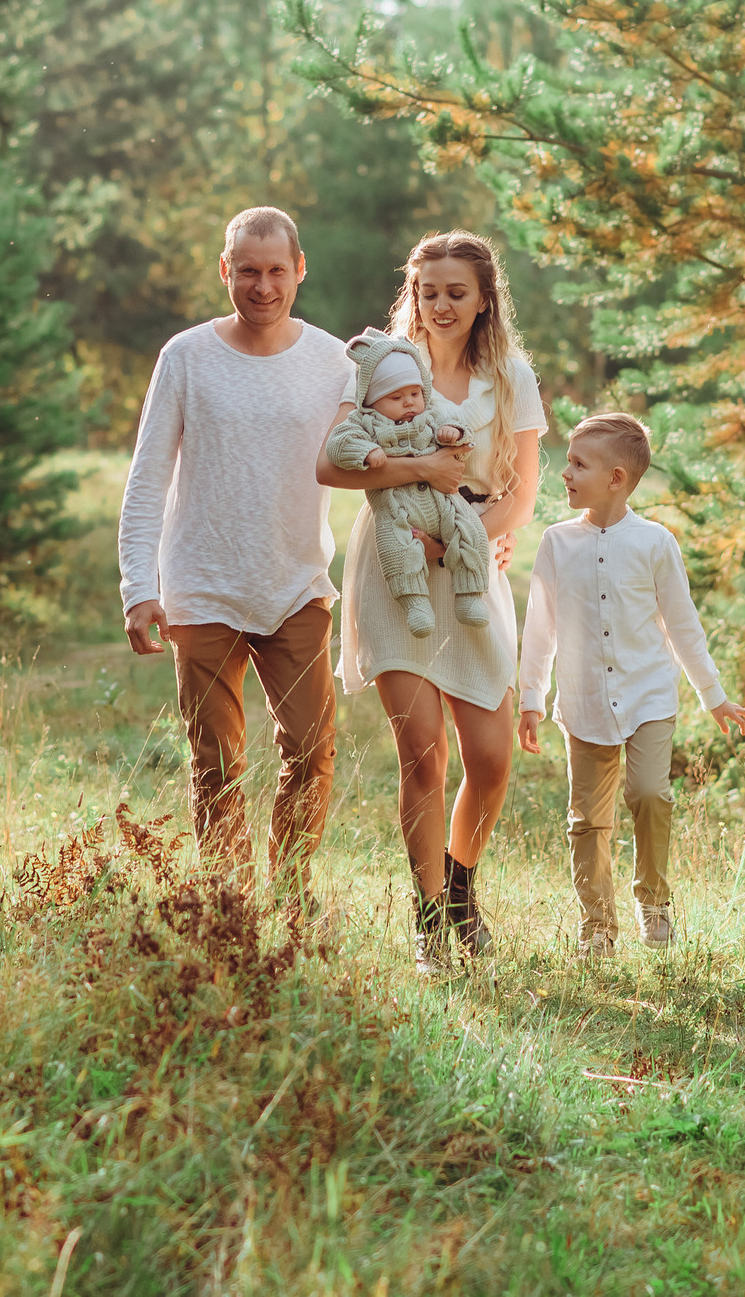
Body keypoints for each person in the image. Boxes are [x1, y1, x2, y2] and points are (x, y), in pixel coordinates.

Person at [118, 207, 386, 898]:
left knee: (311, 750)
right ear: (224, 271)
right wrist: (137, 586)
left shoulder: (334, 360)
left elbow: (374, 448)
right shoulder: (186, 356)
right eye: (247, 271)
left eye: (275, 271)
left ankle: (291, 892)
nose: (262, 287)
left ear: (299, 269)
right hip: (201, 585)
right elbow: (148, 474)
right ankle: (230, 904)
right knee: (216, 763)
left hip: (296, 582)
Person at [320, 231, 544, 973]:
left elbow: (523, 494)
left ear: (484, 299)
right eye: (429, 291)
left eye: (457, 291)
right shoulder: (384, 365)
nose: (441, 304)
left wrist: (465, 538)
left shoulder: (510, 375)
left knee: (490, 757)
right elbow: (335, 460)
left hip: (471, 562)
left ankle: (459, 886)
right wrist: (416, 485)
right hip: (394, 562)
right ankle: (426, 924)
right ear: (412, 294)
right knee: (423, 757)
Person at [517, 412, 745, 955]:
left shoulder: (655, 543)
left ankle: (653, 899)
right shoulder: (557, 543)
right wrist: (531, 697)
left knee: (649, 793)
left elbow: (682, 624)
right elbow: (541, 626)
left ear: (616, 478)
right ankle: (598, 926)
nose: (566, 474)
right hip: (583, 701)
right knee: (587, 820)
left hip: (649, 696)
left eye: (578, 464)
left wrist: (713, 696)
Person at [324, 329, 491, 636]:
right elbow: (338, 443)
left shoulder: (430, 417)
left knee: (469, 531)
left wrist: (452, 434)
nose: (409, 403)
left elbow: (459, 427)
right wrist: (365, 451)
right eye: (396, 397)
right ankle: (415, 603)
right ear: (372, 401)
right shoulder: (365, 423)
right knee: (396, 550)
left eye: (414, 394)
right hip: (396, 510)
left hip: (444, 504)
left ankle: (470, 595)